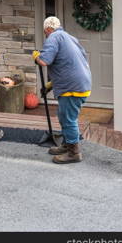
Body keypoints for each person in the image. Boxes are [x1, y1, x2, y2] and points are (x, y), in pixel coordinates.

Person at [32, 17, 92, 164]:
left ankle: (74, 153)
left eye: (45, 32)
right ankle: (67, 144)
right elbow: (68, 64)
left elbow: (44, 61)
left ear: (47, 29)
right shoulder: (70, 38)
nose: (46, 35)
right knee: (63, 115)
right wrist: (51, 85)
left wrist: (36, 56)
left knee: (68, 118)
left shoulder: (53, 37)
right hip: (80, 82)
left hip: (72, 87)